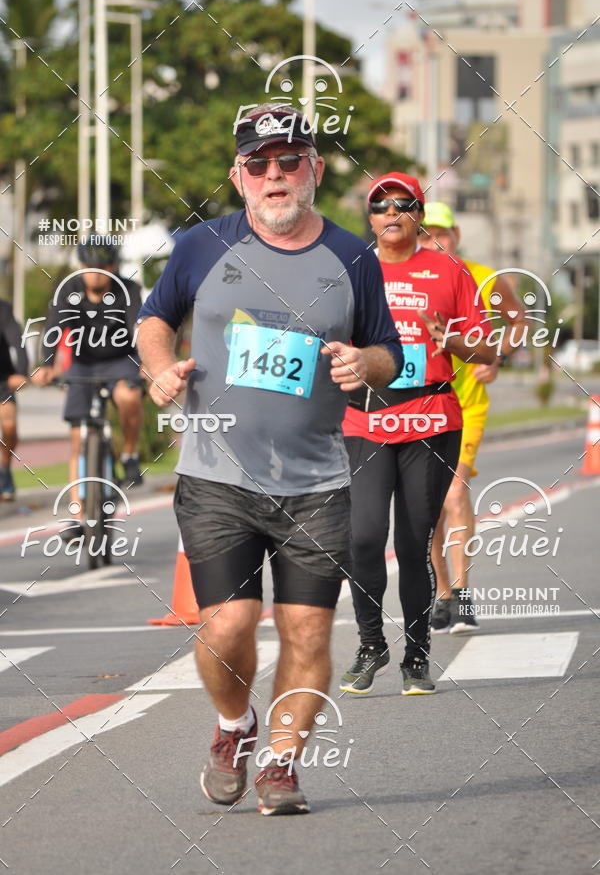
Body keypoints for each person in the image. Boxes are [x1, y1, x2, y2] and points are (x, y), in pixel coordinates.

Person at [137, 104, 403, 815]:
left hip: (317, 480)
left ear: (314, 169)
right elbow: (154, 318)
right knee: (226, 623)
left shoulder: (353, 257)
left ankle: (282, 765)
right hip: (217, 474)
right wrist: (159, 369)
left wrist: (363, 363)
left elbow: (390, 353)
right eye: (260, 164)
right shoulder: (200, 246)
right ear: (239, 176)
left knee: (307, 628)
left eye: (290, 161)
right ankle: (235, 725)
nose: (275, 175)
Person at [339, 173, 496, 698]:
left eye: (403, 205)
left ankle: (416, 654)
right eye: (379, 205)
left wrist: (449, 337)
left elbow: (487, 351)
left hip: (430, 418)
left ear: (419, 215)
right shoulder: (353, 269)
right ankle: (369, 645)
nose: (391, 213)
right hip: (366, 419)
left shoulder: (449, 271)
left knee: (412, 543)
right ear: (370, 217)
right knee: (362, 537)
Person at [419, 202, 526, 633]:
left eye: (440, 234)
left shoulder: (485, 279)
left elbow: (517, 321)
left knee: (454, 493)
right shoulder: (407, 280)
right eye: (424, 234)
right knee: (427, 510)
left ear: (456, 235)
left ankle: (462, 593)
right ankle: (442, 592)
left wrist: (498, 356)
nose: (433, 242)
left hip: (466, 407)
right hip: (416, 409)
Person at [32, 235, 144, 495]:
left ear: (113, 267)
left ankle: (129, 455)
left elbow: (137, 329)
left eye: (102, 269)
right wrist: (46, 365)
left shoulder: (129, 290)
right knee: (77, 439)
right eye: (88, 268)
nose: (95, 275)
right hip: (83, 365)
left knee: (129, 396)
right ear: (81, 267)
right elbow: (54, 328)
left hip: (120, 361)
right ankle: (77, 513)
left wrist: (145, 364)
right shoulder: (68, 290)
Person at [0, 300, 29, 499]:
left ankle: (4, 469)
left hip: (3, 378)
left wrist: (21, 373)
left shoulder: (3, 310)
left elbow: (18, 343)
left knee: (9, 428)